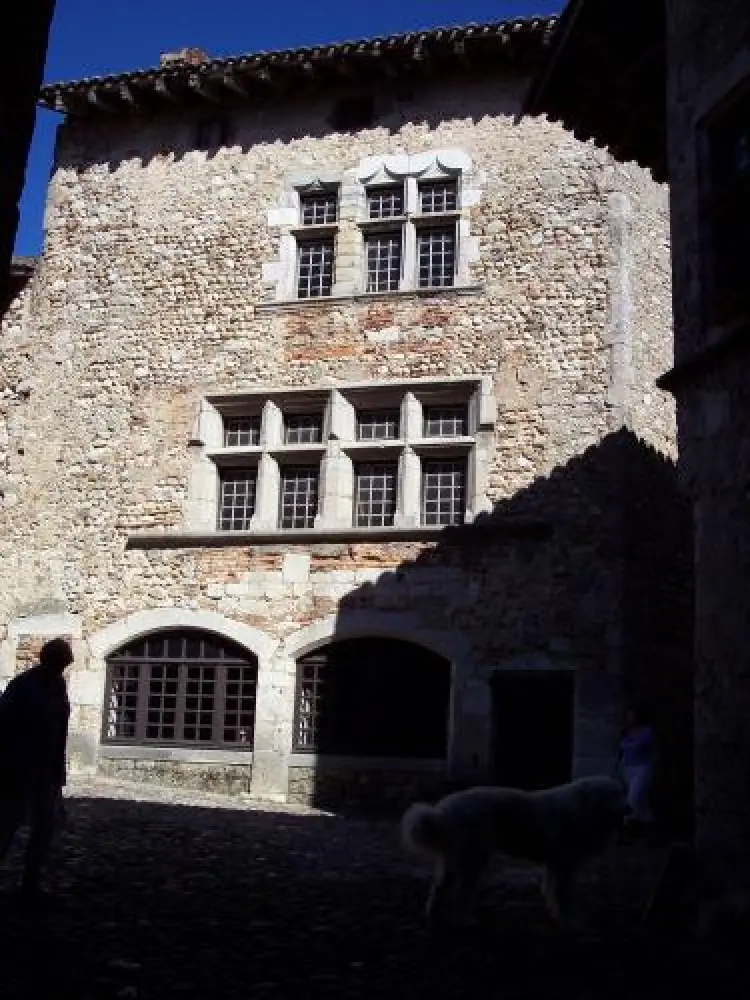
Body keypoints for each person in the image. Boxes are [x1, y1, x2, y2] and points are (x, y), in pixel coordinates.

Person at [0, 637, 73, 894]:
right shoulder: (22, 687)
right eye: (59, 663)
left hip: (46, 770)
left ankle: (31, 881)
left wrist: (58, 771)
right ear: (47, 660)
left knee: (44, 827)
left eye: (64, 665)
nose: (61, 669)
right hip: (18, 768)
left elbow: (60, 729)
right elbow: (5, 727)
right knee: (7, 825)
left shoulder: (58, 685)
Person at [617, 703, 656, 841]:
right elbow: (622, 751)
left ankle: (626, 831)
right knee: (641, 803)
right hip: (628, 768)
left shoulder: (647, 731)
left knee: (633, 798)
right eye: (628, 714)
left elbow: (644, 747)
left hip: (642, 767)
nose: (630, 717)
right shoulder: (626, 732)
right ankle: (648, 833)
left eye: (632, 714)